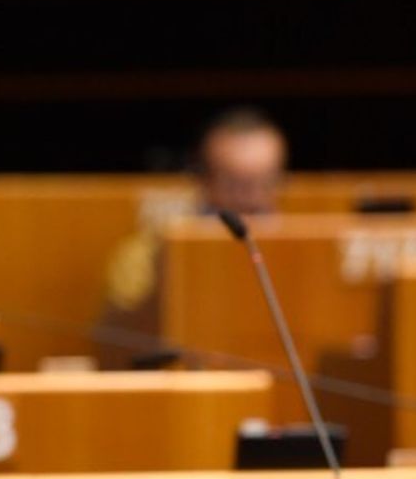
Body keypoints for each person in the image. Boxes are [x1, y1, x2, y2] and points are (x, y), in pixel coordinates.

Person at [97, 108, 288, 368]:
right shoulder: (150, 249)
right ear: (203, 179)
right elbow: (119, 338)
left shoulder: (300, 253)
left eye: (264, 182)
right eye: (234, 184)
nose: (250, 198)